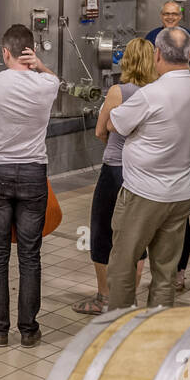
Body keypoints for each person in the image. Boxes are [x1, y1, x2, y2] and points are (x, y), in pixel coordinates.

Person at [0, 25, 60, 347]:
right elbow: (55, 79)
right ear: (31, 52)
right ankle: (29, 330)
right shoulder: (47, 83)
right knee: (30, 256)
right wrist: (41, 65)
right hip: (34, 173)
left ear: (5, 53)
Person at [105, 27, 190, 309]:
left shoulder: (151, 94)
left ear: (158, 54)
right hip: (180, 195)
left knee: (123, 266)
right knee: (165, 272)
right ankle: (156, 332)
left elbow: (114, 125)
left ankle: (120, 330)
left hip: (143, 195)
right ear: (189, 54)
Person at [72, 37, 155, 315]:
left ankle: (105, 299)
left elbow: (100, 131)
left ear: (127, 60)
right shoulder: (157, 91)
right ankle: (129, 299)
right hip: (143, 173)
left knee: (102, 234)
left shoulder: (119, 91)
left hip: (115, 170)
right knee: (136, 237)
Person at [145, 1, 190, 79]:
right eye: (166, 14)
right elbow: (144, 62)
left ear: (180, 16)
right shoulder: (151, 36)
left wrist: (179, 74)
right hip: (155, 82)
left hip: (182, 84)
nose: (170, 17)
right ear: (161, 16)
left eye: (174, 14)